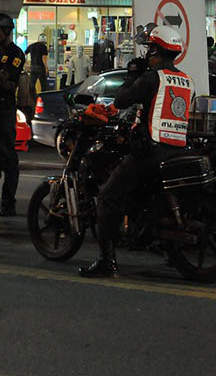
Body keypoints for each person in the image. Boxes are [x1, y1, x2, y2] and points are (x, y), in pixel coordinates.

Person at [79, 24, 194, 278]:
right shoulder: (187, 80)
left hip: (151, 151)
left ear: (157, 50)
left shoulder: (152, 78)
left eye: (150, 50)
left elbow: (121, 100)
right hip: (178, 151)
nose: (147, 55)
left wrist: (132, 75)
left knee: (108, 196)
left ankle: (106, 261)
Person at [0, 13, 25, 217]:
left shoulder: (16, 54)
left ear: (7, 31)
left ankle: (8, 203)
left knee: (7, 157)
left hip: (5, 109)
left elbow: (5, 80)